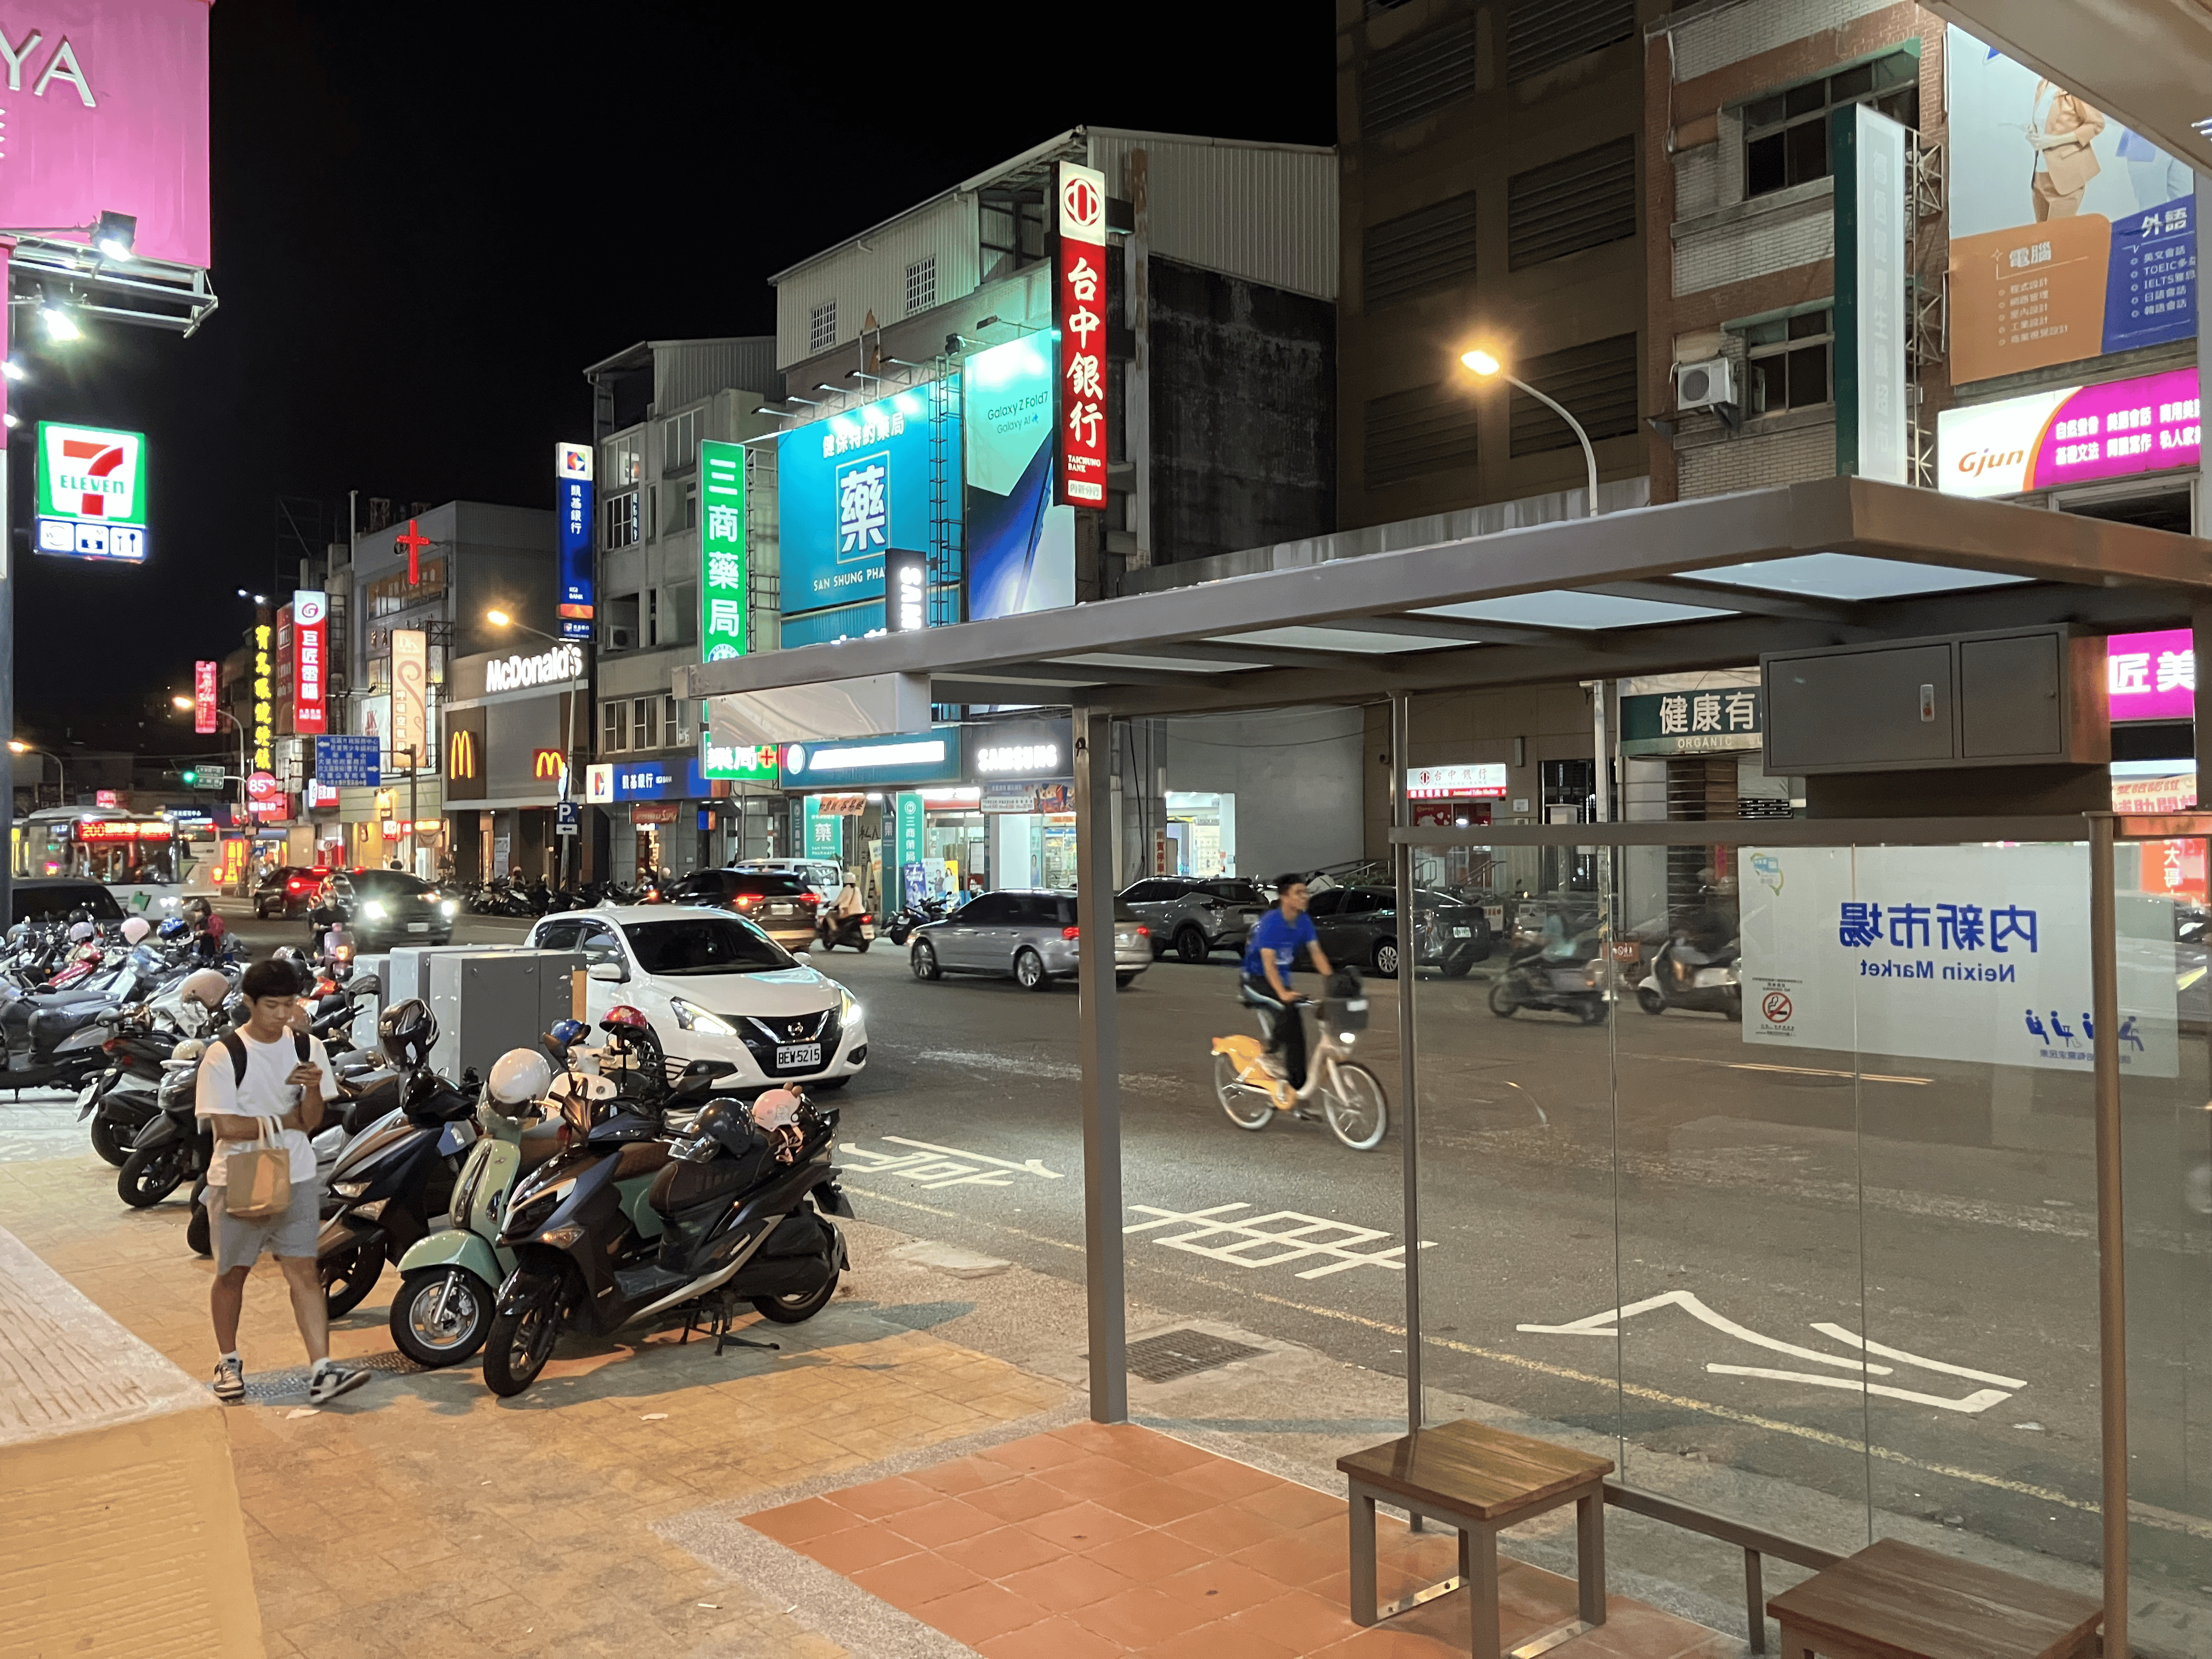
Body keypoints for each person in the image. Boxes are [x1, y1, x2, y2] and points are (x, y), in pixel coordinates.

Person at [198, 958, 368, 1406]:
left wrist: (312, 1090)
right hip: (241, 1174)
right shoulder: (225, 1054)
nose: (282, 1014)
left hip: (297, 1174)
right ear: (249, 1003)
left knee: (304, 1272)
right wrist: (284, 1121)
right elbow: (228, 1128)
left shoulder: (308, 1048)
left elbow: (310, 1123)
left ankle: (322, 1370)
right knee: (232, 1273)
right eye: (272, 1005)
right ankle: (228, 1360)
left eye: (290, 1004)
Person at [1242, 873, 1333, 1090]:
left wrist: (1333, 982)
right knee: (1286, 1009)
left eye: (1306, 892)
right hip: (1256, 982)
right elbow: (1268, 963)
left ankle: (1298, 1090)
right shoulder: (1272, 922)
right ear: (1285, 897)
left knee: (1297, 1034)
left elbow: (1317, 953)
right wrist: (1282, 993)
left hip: (1278, 984)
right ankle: (1269, 1054)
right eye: (1298, 893)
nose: (1304, 897)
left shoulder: (1303, 921)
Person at [2024, 78, 2104, 222]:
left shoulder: (2075, 88)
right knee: (2043, 241)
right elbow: (2043, 122)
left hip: (2068, 176)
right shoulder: (2043, 84)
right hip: (2040, 175)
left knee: (2058, 239)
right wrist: (2033, 131)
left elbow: (2096, 124)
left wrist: (2054, 141)